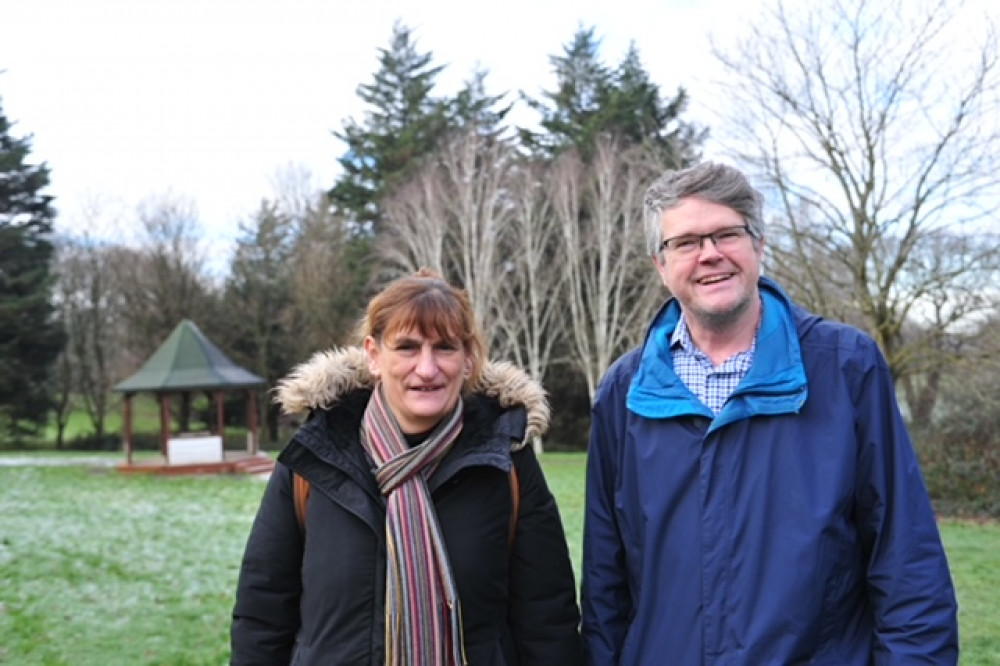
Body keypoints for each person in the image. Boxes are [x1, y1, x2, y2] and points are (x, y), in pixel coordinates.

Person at [580, 162, 959, 664]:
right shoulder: (624, 392)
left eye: (726, 234)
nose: (710, 254)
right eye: (687, 242)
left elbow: (906, 560)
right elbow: (605, 585)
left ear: (758, 245)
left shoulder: (846, 368)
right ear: (660, 263)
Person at [231, 269, 584, 665]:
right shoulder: (316, 457)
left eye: (445, 347)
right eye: (407, 347)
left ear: (468, 359)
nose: (427, 369)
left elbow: (547, 619)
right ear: (374, 355)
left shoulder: (506, 463)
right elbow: (262, 615)